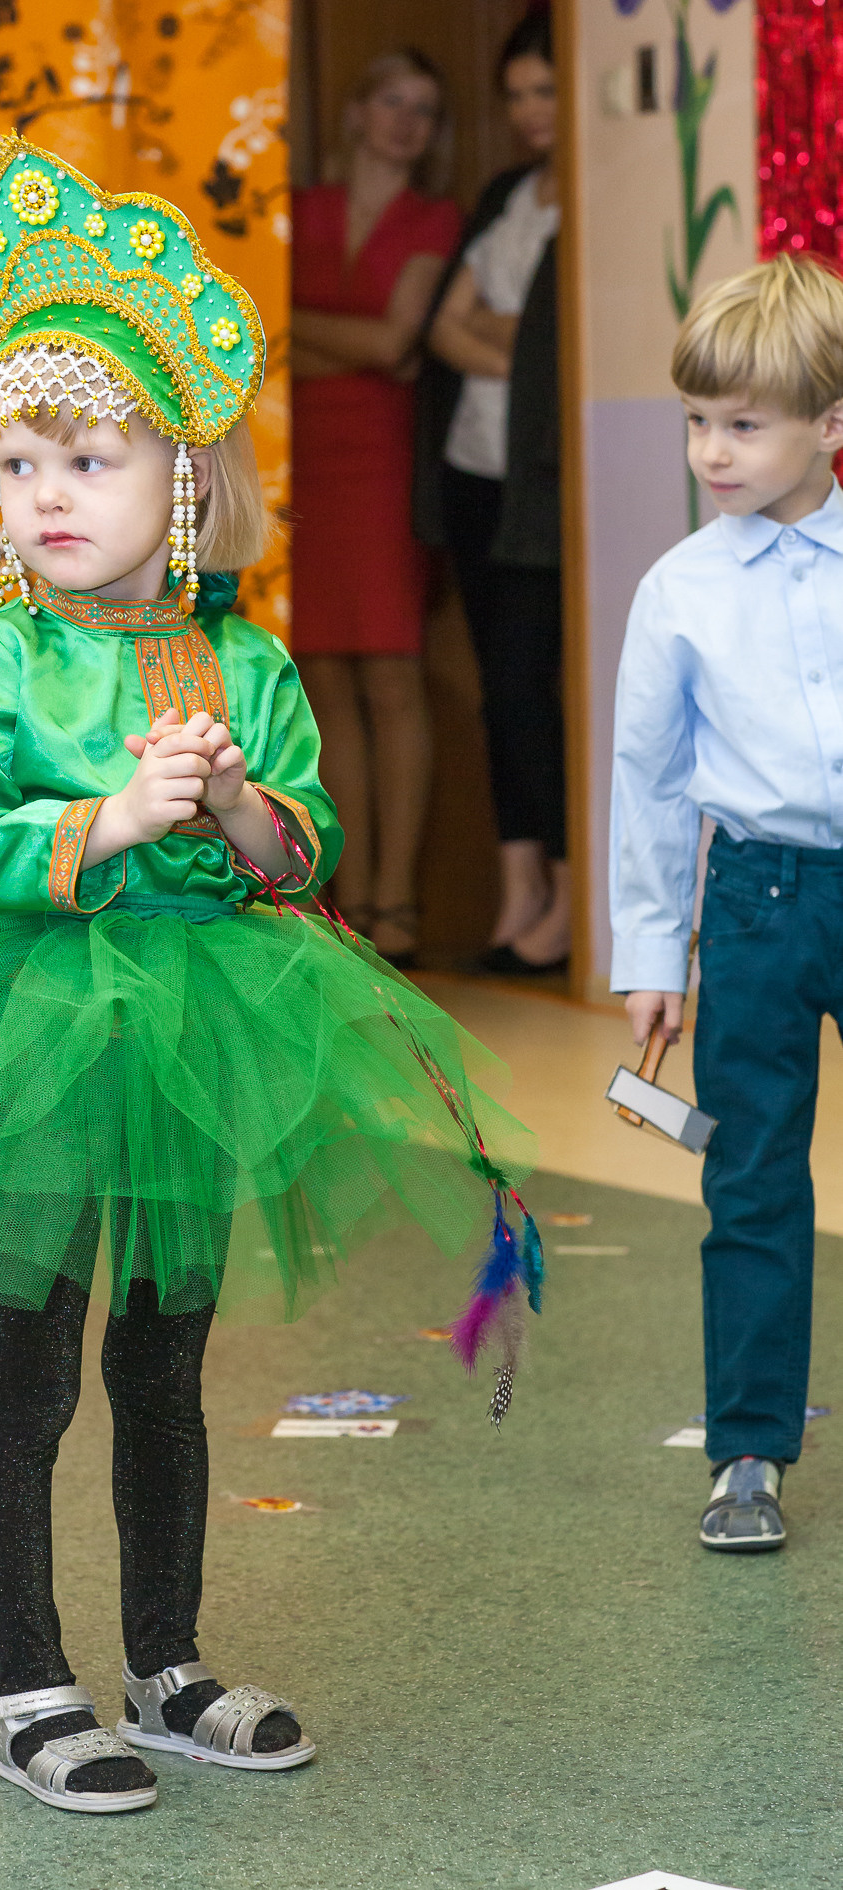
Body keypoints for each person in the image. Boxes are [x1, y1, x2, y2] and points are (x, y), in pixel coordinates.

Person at [0, 134, 538, 1815]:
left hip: (198, 1028)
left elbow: (300, 852)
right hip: (34, 1030)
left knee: (166, 1360)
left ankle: (167, 1663)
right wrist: (106, 815)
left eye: (87, 458)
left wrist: (240, 800)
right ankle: (31, 1686)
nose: (45, 493)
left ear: (179, 479)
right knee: (30, 1364)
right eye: (19, 459)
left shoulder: (242, 660)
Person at [610, 253, 843, 1553]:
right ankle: (747, 1450)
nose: (712, 449)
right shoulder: (680, 591)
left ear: (830, 425)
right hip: (751, 900)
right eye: (698, 420)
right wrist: (656, 953)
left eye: (744, 424)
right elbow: (647, 787)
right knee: (752, 1175)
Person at [290, 49, 463, 968]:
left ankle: (397, 898)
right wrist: (335, 346)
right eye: (392, 102)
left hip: (388, 461)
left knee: (393, 679)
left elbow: (397, 344)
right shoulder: (297, 209)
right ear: (355, 112)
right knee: (322, 683)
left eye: (425, 110)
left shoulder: (436, 218)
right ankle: (348, 900)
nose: (406, 122)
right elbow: (255, 327)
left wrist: (296, 332)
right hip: (298, 458)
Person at [418, 6, 567, 974]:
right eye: (514, 94)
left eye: (543, 91)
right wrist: (517, 339)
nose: (526, 113)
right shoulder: (510, 192)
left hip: (544, 489)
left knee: (529, 689)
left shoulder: (586, 200)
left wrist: (507, 335)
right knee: (494, 692)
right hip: (474, 474)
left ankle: (565, 896)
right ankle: (519, 892)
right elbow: (445, 329)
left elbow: (566, 347)